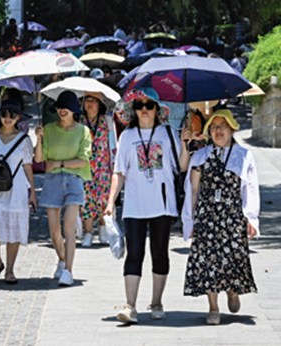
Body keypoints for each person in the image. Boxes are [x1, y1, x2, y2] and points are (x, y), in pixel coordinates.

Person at [106, 88, 189, 324]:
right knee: (134, 254)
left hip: (162, 203)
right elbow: (119, 172)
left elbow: (182, 167)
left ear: (156, 110)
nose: (144, 109)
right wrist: (111, 202)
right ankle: (130, 305)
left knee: (159, 253)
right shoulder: (128, 137)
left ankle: (156, 302)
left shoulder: (167, 133)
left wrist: (184, 144)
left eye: (149, 105)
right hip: (134, 203)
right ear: (133, 110)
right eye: (140, 105)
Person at [182, 108, 259, 326]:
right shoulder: (201, 155)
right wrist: (190, 220)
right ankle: (213, 307)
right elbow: (192, 190)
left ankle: (232, 290)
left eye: (222, 126)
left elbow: (251, 189)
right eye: (214, 127)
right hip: (207, 217)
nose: (218, 131)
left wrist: (251, 218)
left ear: (232, 129)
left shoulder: (244, 155)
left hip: (233, 217)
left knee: (234, 259)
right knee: (208, 261)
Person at [34, 90, 93, 286]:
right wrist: (39, 139)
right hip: (52, 182)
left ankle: (68, 269)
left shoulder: (83, 131)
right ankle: (61, 260)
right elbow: (40, 159)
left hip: (74, 181)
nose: (62, 111)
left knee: (69, 226)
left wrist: (59, 163)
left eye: (66, 108)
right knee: (53, 231)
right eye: (60, 107)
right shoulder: (49, 129)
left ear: (74, 110)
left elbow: (82, 161)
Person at [0, 99, 37, 284]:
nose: (8, 118)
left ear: (18, 117)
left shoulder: (24, 140)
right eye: (4, 113)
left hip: (17, 187)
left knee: (14, 227)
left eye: (12, 114)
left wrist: (33, 192)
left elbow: (28, 166)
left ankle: (10, 269)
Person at [79, 92, 117, 246]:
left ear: (100, 104)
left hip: (103, 166)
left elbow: (113, 142)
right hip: (85, 166)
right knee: (86, 200)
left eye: (93, 101)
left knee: (103, 198)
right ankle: (87, 233)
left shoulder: (107, 120)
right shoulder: (79, 121)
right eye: (87, 100)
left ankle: (102, 228)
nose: (90, 103)